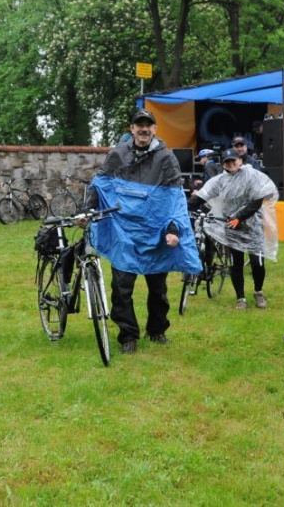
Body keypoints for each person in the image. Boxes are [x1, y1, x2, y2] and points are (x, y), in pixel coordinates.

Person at [82, 109, 201, 354]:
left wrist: (172, 229)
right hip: (123, 232)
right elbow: (100, 184)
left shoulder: (166, 159)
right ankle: (128, 336)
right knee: (121, 287)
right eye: (139, 125)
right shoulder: (117, 155)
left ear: (155, 129)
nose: (144, 129)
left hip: (155, 232)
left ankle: (157, 331)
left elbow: (175, 199)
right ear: (132, 129)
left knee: (158, 289)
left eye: (149, 125)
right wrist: (88, 211)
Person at [187, 148, 279, 310]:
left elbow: (257, 201)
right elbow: (203, 196)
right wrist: (184, 207)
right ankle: (240, 298)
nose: (231, 164)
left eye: (233, 161)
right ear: (223, 164)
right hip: (230, 225)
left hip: (252, 226)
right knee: (236, 264)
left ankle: (258, 292)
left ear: (240, 161)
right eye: (227, 162)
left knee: (257, 263)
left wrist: (239, 217)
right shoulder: (219, 181)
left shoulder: (251, 177)